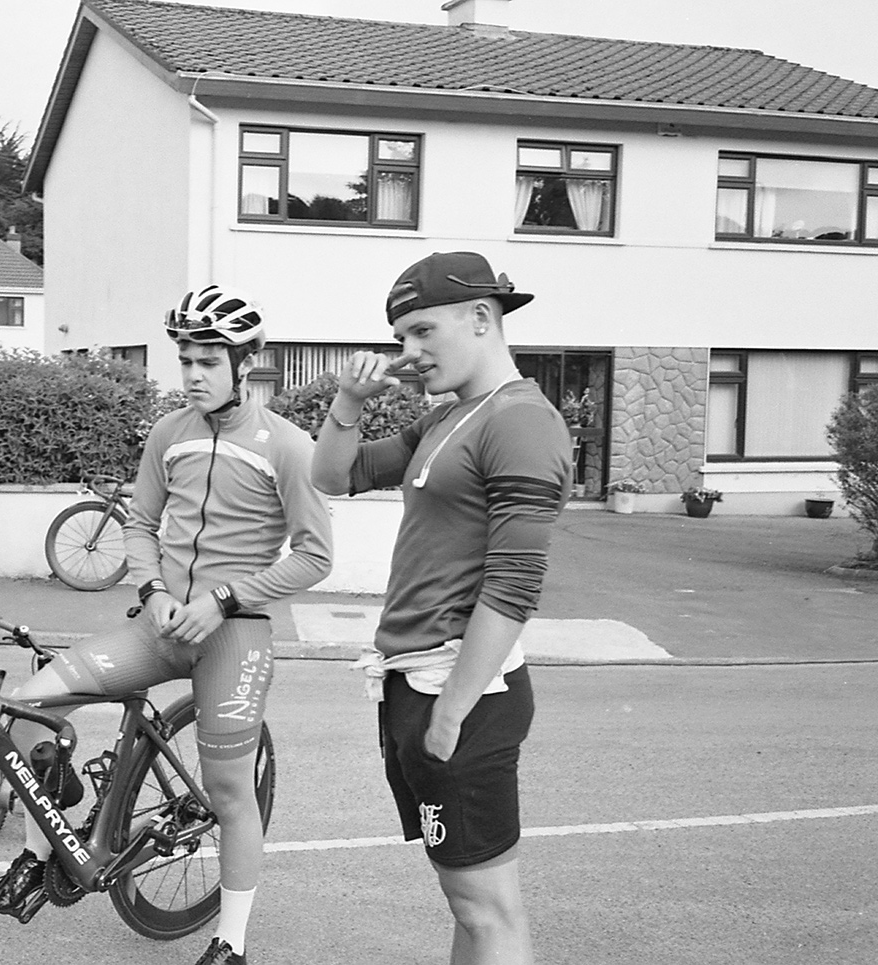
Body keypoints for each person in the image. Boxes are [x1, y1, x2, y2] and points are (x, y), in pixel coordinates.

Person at [0, 284, 334, 965]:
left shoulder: (287, 445)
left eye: (207, 361)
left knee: (230, 792)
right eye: (186, 360)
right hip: (158, 625)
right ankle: (33, 857)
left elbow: (315, 556)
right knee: (24, 708)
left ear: (244, 362)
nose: (194, 374)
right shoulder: (169, 434)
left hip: (234, 636)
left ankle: (231, 942)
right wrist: (152, 586)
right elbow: (140, 523)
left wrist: (224, 600)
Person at [310, 252, 570, 965]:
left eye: (422, 332)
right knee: (469, 905)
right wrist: (350, 400)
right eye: (400, 337)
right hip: (415, 681)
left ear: (481, 318)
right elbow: (335, 474)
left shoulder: (522, 423)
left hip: (459, 690)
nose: (409, 353)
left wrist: (451, 713)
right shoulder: (449, 418)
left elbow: (513, 586)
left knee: (489, 910)